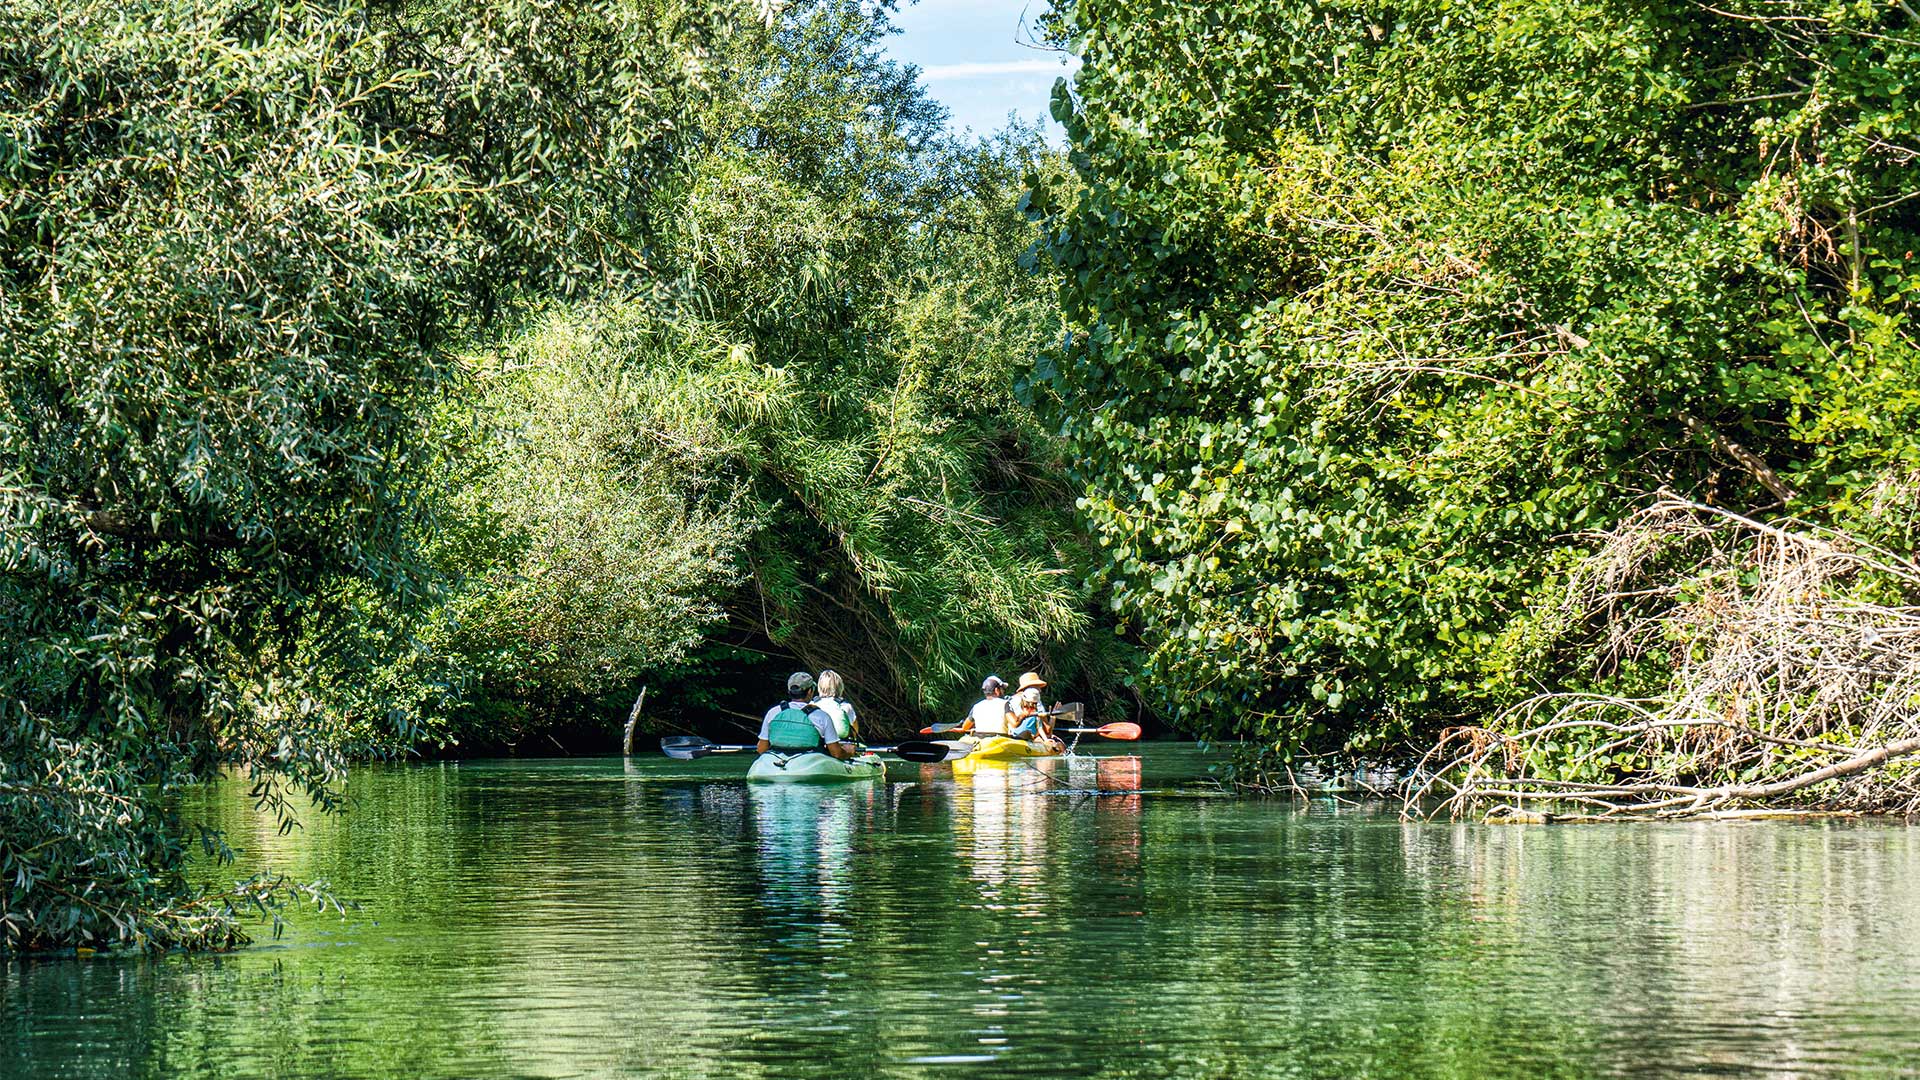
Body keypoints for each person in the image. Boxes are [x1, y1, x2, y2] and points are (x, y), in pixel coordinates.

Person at [757, 672, 854, 759]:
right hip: (810, 762)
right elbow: (836, 753)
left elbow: (761, 749)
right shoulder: (821, 716)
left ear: (789, 691)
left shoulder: (773, 712)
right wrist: (849, 752)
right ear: (810, 691)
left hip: (777, 760)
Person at [1006, 672, 1055, 743]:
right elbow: (1048, 730)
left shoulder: (1010, 700)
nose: (1040, 690)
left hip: (1024, 736)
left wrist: (1046, 740)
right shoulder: (1036, 702)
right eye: (1037, 686)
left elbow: (1040, 727)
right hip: (1022, 736)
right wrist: (1052, 719)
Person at [813, 669, 859, 744]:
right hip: (841, 743)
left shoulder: (811, 705)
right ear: (839, 687)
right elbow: (855, 730)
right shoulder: (845, 706)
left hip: (818, 744)